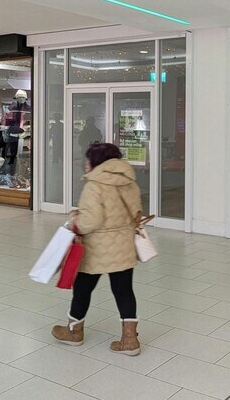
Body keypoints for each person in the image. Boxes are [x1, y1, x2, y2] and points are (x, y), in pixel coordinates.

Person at [52, 143, 143, 356]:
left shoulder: (95, 185)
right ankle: (130, 339)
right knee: (123, 290)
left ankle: (74, 332)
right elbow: (137, 211)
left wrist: (75, 218)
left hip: (96, 248)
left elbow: (90, 221)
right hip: (123, 245)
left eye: (87, 159)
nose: (85, 164)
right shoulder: (130, 182)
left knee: (82, 288)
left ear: (97, 161)